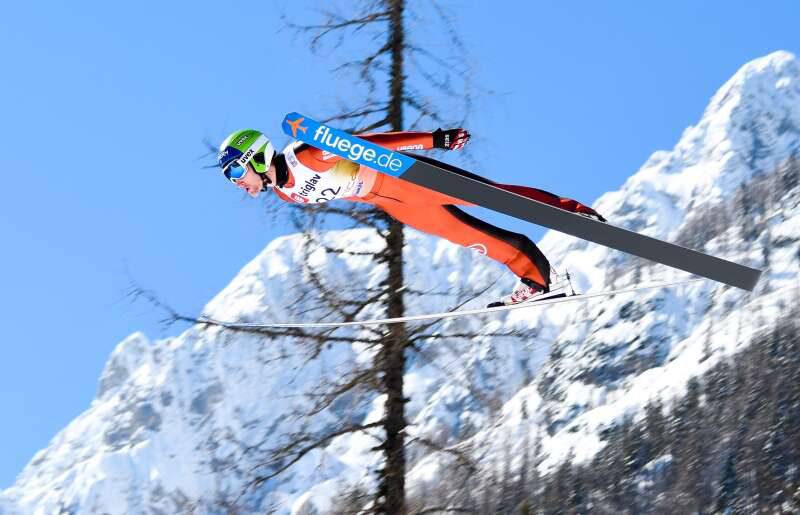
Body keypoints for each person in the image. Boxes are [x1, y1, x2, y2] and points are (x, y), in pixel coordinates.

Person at [216, 128, 605, 306]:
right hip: (394, 203)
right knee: (472, 237)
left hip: (402, 177)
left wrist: (435, 140)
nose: (237, 184)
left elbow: (370, 145)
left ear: (257, 157)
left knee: (491, 196)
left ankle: (574, 213)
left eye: (236, 172)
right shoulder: (285, 193)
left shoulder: (308, 154)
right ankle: (538, 279)